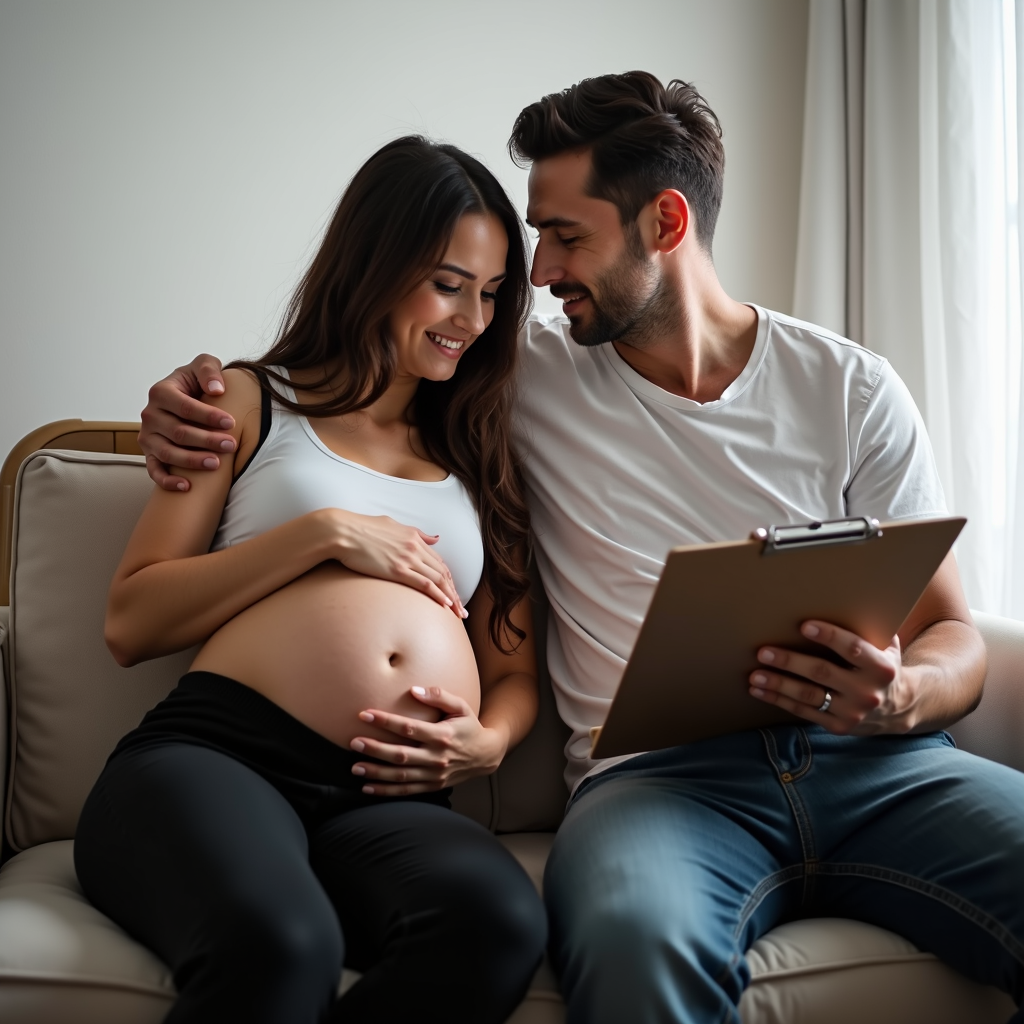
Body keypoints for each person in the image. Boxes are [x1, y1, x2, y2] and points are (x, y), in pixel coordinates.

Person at [138, 73, 1024, 1023]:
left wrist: (902, 696)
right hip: (659, 787)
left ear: (665, 223)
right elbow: (354, 378)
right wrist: (185, 399)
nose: (539, 272)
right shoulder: (515, 373)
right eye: (535, 236)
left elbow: (953, 638)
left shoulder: (852, 390)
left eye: (566, 236)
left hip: (881, 766)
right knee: (632, 949)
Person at [74, 136, 548, 1024]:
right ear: (373, 265)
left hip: (390, 798)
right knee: (279, 944)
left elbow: (514, 671)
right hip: (219, 761)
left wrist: (491, 742)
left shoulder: (484, 455)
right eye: (448, 283)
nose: (471, 319)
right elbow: (130, 619)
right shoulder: (250, 403)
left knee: (496, 924)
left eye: (491, 295)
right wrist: (322, 537)